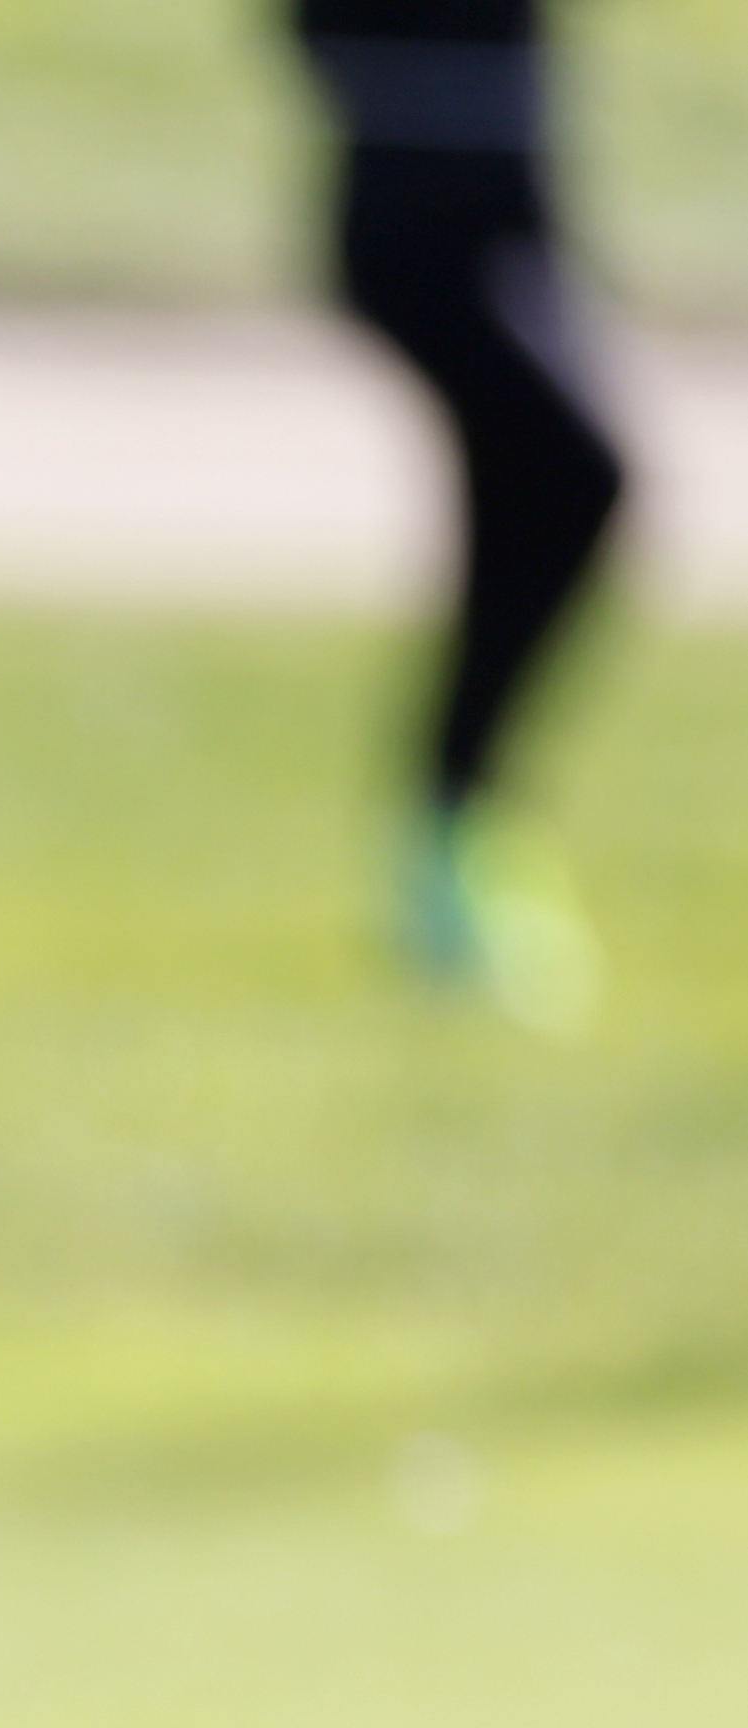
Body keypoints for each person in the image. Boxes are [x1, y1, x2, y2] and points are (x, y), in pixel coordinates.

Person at [292, 0, 624, 1010]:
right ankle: (447, 826)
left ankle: (457, 834)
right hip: (414, 205)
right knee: (578, 475)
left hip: (512, 201)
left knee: (532, 492)